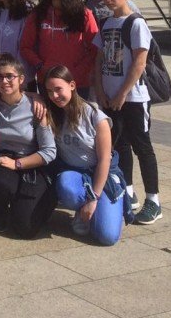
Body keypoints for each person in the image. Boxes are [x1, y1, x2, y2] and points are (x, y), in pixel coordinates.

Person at [94, 0, 162, 225]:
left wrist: (123, 92)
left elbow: (139, 62)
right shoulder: (105, 22)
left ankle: (153, 200)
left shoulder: (135, 23)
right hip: (111, 97)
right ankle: (129, 191)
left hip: (133, 97)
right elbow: (99, 58)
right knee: (120, 146)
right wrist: (100, 90)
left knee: (142, 146)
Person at [0, 55, 57, 238]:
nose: (4, 81)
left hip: (31, 163)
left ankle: (32, 204)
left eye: (10, 76)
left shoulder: (36, 106)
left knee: (26, 229)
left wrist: (18, 164)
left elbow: (49, 151)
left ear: (21, 79)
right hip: (2, 161)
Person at [43, 65, 124, 245]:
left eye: (58, 89)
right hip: (75, 174)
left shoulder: (95, 115)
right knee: (65, 184)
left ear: (72, 85)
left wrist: (94, 198)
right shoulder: (52, 114)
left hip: (101, 174)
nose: (54, 96)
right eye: (49, 91)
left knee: (107, 237)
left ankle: (106, 208)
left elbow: (104, 159)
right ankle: (82, 209)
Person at [20, 0, 98, 98]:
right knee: (51, 119)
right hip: (48, 81)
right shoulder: (38, 14)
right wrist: (40, 66)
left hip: (76, 81)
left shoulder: (83, 13)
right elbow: (25, 46)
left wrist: (77, 71)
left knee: (76, 119)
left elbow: (94, 47)